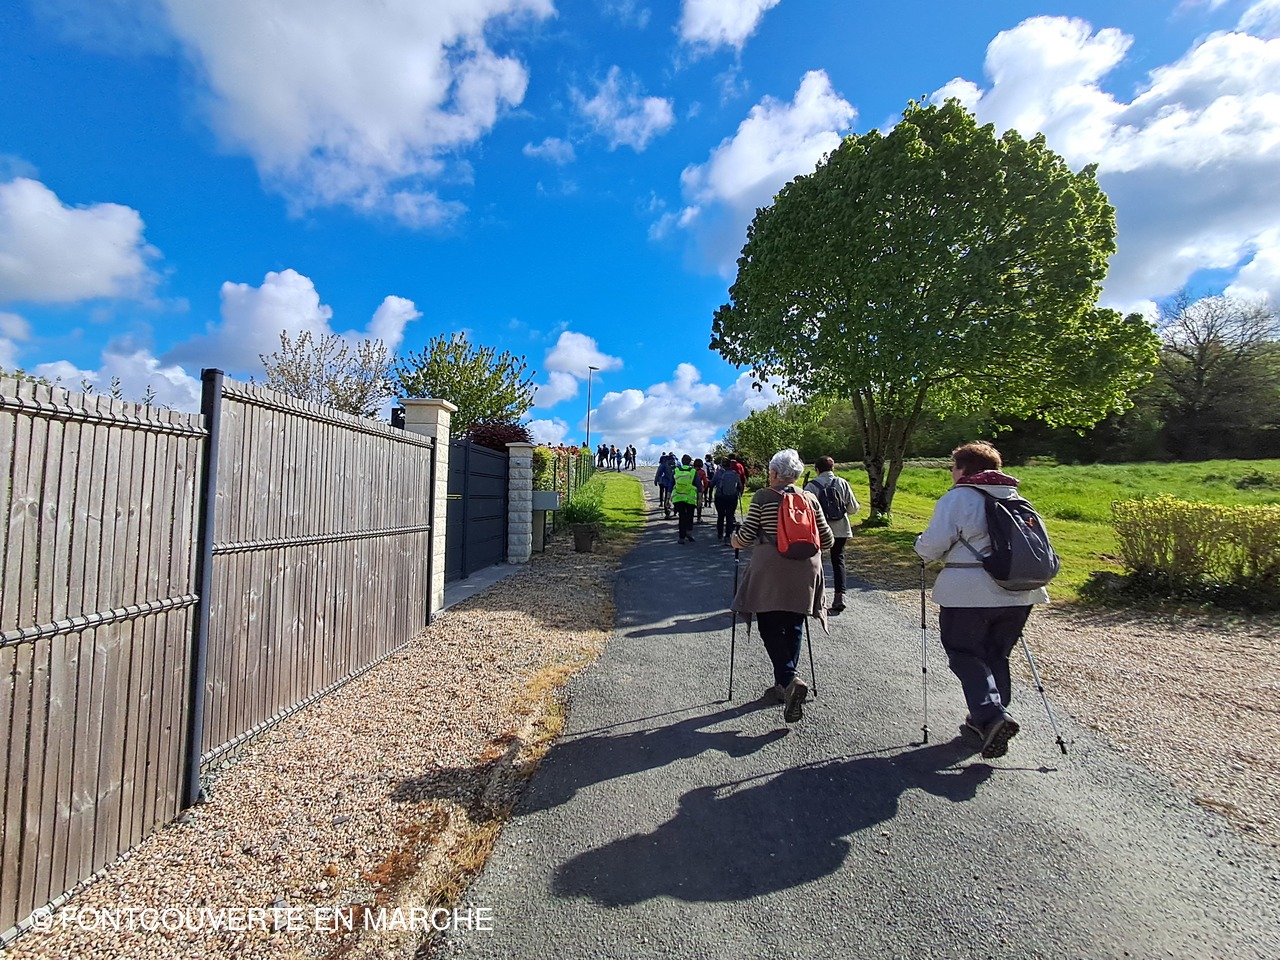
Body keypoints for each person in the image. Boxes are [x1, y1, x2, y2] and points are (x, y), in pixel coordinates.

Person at [913, 441, 1050, 760]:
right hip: (1021, 592)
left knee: (964, 653)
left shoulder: (958, 498)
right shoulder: (1017, 499)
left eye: (953, 467)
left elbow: (932, 546)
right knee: (996, 654)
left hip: (969, 593)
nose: (951, 473)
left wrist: (919, 546)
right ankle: (986, 720)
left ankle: (991, 716)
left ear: (963, 469)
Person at [730, 449, 834, 723]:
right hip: (806, 571)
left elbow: (747, 536)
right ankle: (784, 686)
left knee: (769, 624)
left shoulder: (763, 497)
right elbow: (827, 540)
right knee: (795, 624)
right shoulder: (810, 498)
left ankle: (788, 680)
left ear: (774, 473)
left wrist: (734, 540)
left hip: (771, 571)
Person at [804, 456, 860, 614]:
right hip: (841, 529)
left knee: (816, 562)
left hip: (819, 530)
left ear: (817, 469)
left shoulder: (811, 486)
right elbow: (853, 508)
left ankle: (816, 599)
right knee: (838, 560)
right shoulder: (842, 483)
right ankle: (840, 596)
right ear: (833, 468)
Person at [711, 456, 744, 542]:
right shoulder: (735, 474)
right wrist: (739, 493)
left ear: (722, 465)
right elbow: (740, 486)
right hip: (732, 497)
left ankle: (720, 533)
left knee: (721, 516)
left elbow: (712, 484)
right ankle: (728, 535)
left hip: (720, 497)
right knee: (730, 516)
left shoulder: (718, 473)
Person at [671, 454, 701, 542]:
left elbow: (671, 484)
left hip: (678, 497)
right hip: (690, 498)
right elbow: (699, 486)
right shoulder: (693, 471)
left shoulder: (676, 470)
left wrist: (667, 498)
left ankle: (681, 537)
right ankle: (689, 532)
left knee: (682, 517)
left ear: (682, 461)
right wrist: (699, 500)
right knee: (690, 516)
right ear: (690, 462)